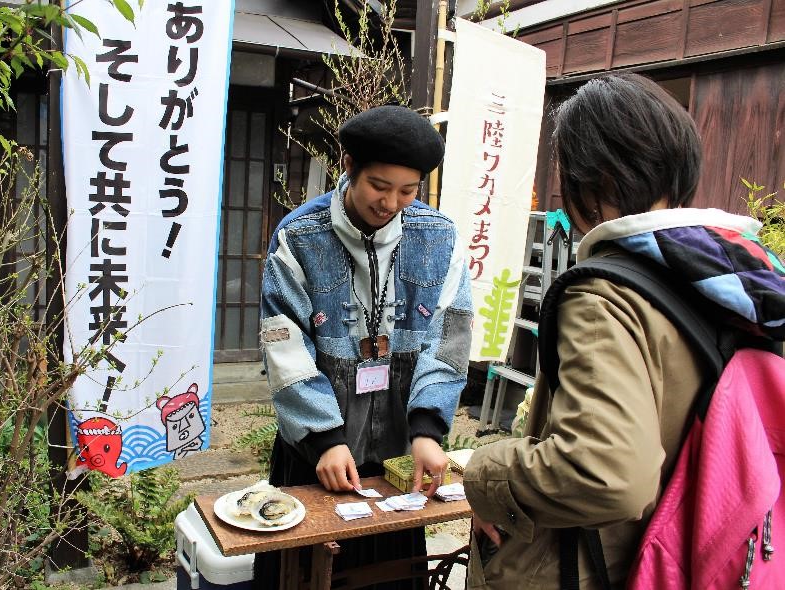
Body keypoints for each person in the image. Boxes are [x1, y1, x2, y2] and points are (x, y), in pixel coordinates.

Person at [464, 73, 785, 588]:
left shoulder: (605, 296)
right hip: (701, 549)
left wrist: (488, 474)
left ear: (591, 179)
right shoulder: (730, 275)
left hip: (603, 566)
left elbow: (609, 474)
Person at [254, 105, 473, 588]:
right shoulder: (299, 237)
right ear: (348, 163)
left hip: (399, 444)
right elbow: (283, 341)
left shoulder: (439, 238)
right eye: (379, 184)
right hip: (318, 451)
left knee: (391, 575)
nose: (391, 202)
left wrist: (427, 429)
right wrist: (323, 438)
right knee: (304, 571)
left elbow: (449, 339)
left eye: (408, 190)